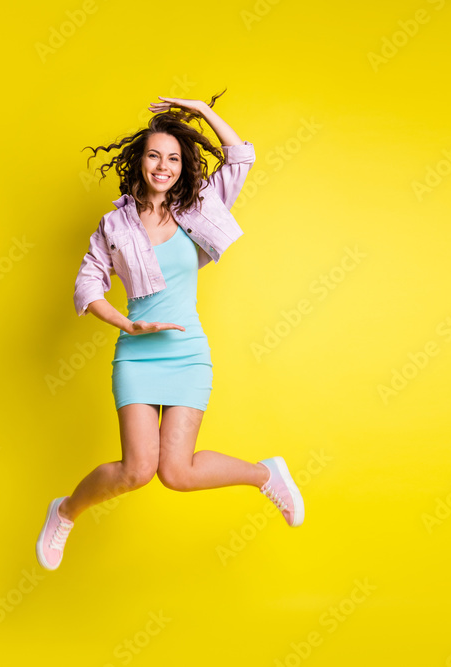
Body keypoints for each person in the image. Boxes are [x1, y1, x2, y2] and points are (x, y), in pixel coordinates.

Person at [36, 90, 304, 571]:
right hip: (137, 356)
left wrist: (201, 113)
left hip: (187, 353)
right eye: (155, 156)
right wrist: (123, 321)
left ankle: (266, 474)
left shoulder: (201, 206)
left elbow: (240, 155)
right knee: (137, 470)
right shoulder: (114, 223)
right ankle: (66, 511)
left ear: (184, 165)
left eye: (174, 158)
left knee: (176, 473)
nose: (163, 166)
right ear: (140, 161)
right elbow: (88, 282)